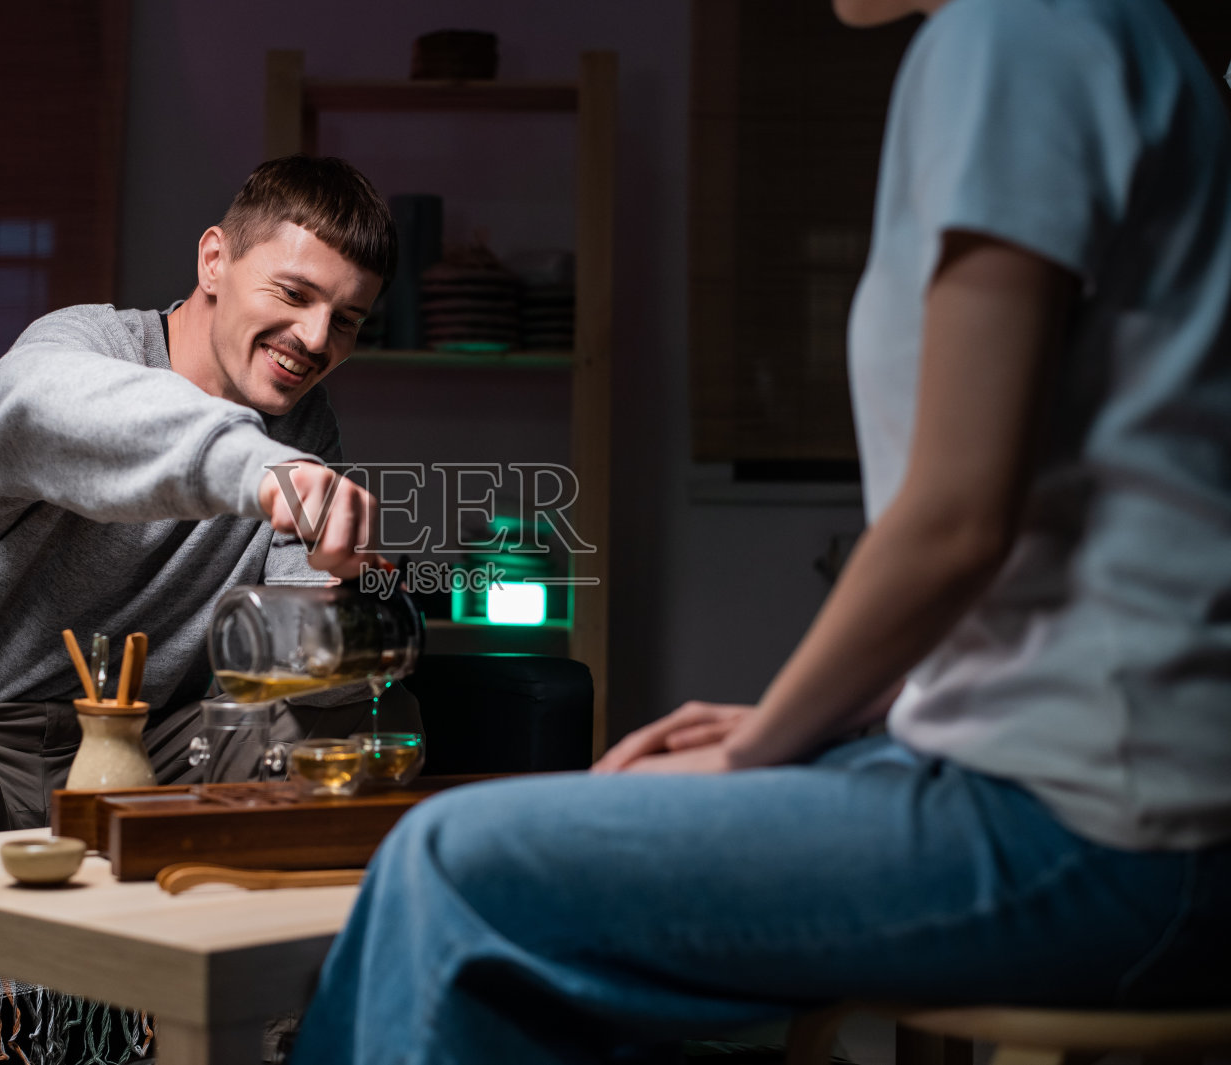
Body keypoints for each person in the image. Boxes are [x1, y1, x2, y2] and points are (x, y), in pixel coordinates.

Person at [288, 1, 1231, 1061]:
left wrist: (765, 748)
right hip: (1088, 792)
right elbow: (1040, 540)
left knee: (450, 863)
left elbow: (958, 523)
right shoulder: (1088, 30)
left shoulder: (1016, 31)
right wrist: (796, 724)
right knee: (568, 831)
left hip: (1109, 834)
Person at [0, 154, 416, 1065]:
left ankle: (257, 1041)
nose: (316, 338)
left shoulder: (306, 430)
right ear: (213, 261)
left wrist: (332, 586)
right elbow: (43, 407)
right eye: (294, 292)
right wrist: (259, 471)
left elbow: (290, 674)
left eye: (347, 320)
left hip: (125, 768)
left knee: (313, 713)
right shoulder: (78, 351)